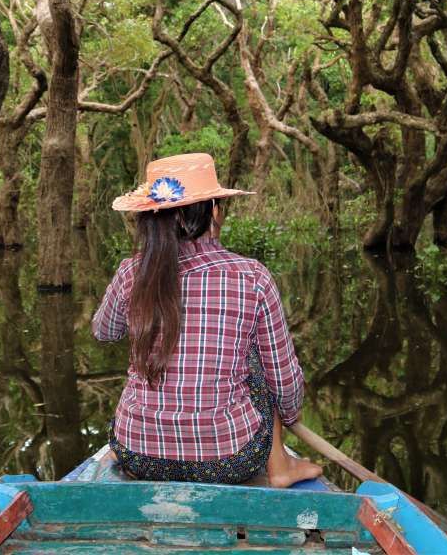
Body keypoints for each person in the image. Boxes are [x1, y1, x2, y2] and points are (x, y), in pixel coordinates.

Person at [92, 152, 323, 487]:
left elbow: (103, 331)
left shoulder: (132, 271)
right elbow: (284, 380)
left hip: (137, 455)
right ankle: (281, 466)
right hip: (226, 461)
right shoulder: (250, 276)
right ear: (214, 211)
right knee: (258, 359)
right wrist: (290, 415)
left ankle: (148, 435)